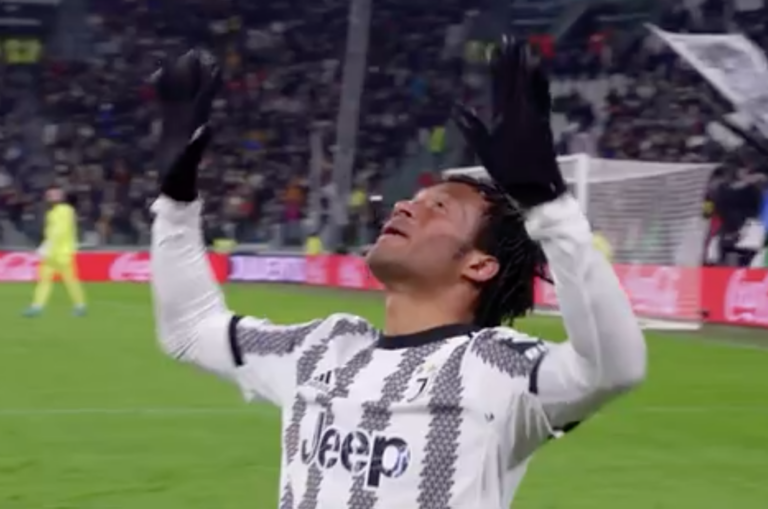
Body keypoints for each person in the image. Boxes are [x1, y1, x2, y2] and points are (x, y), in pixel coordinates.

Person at [150, 42, 645, 508]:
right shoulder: (323, 347)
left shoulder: (496, 367)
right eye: (414, 198)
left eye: (439, 208)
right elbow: (190, 331)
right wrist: (175, 203)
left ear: (478, 264)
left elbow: (612, 369)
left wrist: (548, 207)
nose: (406, 206)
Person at [24, 187, 87, 317]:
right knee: (44, 280)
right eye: (50, 195)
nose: (52, 197)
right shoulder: (52, 212)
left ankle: (80, 306)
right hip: (51, 254)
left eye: (55, 195)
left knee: (70, 280)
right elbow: (52, 231)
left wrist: (46, 245)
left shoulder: (65, 210)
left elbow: (60, 230)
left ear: (61, 197)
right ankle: (37, 306)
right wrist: (46, 245)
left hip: (63, 253)